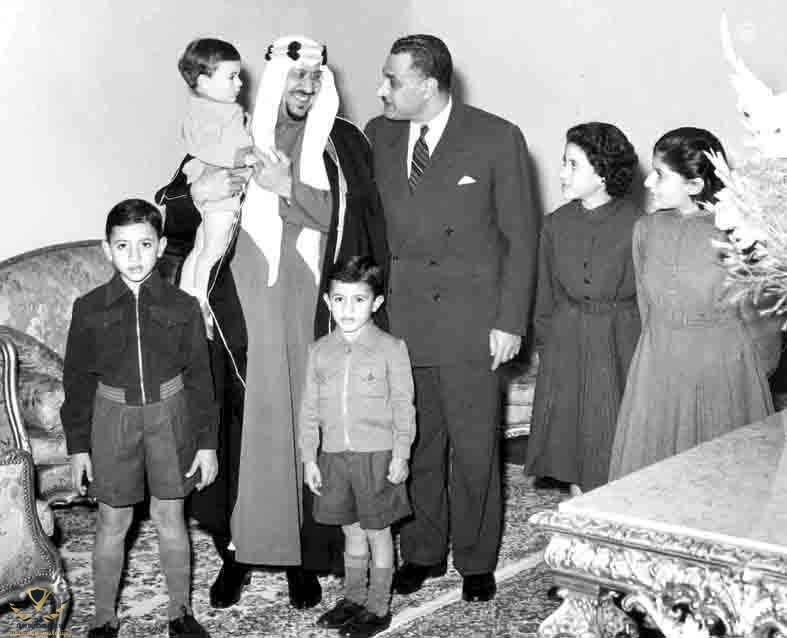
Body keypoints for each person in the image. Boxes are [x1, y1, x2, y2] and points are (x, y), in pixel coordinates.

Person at [157, 35, 389, 610]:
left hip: (310, 308)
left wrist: (289, 189)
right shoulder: (235, 133)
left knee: (306, 425)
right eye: (295, 78)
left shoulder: (343, 142)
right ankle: (238, 553)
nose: (305, 89)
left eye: (314, 79)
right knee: (240, 428)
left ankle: (302, 558)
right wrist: (199, 191)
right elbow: (173, 211)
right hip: (240, 309)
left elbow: (359, 220)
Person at [364, 34, 539, 602]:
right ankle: (422, 550)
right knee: (415, 442)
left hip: (473, 323)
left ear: (428, 85)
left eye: (393, 80)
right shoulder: (379, 135)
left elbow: (521, 239)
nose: (382, 89)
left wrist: (510, 321)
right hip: (404, 320)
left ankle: (476, 558)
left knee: (473, 448)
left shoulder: (496, 137)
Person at [60, 199, 218, 638]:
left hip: (170, 418)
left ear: (161, 246)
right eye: (123, 245)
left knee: (171, 516)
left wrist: (207, 442)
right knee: (113, 521)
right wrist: (78, 447)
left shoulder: (184, 306)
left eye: (145, 244)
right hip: (113, 420)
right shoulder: (88, 308)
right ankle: (103, 617)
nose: (134, 256)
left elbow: (201, 379)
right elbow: (77, 382)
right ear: (106, 249)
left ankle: (180, 613)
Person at [609, 127, 775, 481]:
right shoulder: (645, 230)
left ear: (695, 184)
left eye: (660, 174)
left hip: (722, 370)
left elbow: (763, 319)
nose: (649, 182)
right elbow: (646, 305)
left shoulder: (738, 233)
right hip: (658, 365)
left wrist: (743, 381)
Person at [299, 256, 415, 638]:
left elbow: (404, 406)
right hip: (334, 457)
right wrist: (309, 458)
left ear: (376, 303)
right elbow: (309, 409)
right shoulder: (319, 351)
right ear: (327, 302)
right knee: (351, 531)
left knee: (378, 532)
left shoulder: (391, 348)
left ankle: (378, 605)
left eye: (359, 300)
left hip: (377, 457)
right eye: (339, 299)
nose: (348, 310)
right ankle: (353, 597)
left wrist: (401, 454)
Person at [524, 122, 642, 496]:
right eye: (563, 162)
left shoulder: (639, 225)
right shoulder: (555, 224)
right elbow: (546, 295)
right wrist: (548, 349)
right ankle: (579, 506)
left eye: (572, 164)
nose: (561, 173)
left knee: (612, 436)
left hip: (619, 343)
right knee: (571, 439)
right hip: (568, 342)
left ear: (603, 172)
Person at [176, 38, 258, 337]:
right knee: (214, 251)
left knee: (201, 247)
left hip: (211, 183)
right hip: (223, 188)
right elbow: (218, 147)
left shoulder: (202, 108)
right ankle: (201, 302)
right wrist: (246, 155)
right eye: (231, 77)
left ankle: (186, 296)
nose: (239, 83)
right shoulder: (221, 112)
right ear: (203, 81)